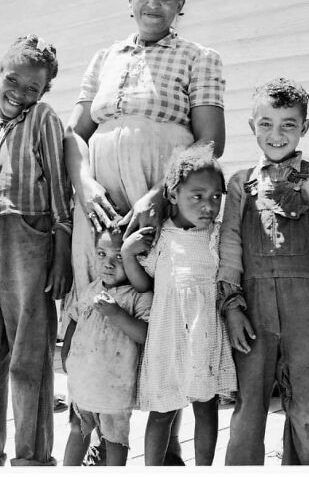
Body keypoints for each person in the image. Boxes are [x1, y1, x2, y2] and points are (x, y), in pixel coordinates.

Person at [64, 0, 226, 465]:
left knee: (157, 306)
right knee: (99, 300)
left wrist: (159, 193)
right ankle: (94, 431)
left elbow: (210, 139)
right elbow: (74, 133)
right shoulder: (105, 56)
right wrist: (85, 182)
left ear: (181, 4)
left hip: (159, 188)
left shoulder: (199, 57)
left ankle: (166, 446)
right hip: (102, 197)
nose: (153, 3)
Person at [0, 34, 72, 466]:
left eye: (32, 89)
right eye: (13, 80)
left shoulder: (41, 120)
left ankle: (32, 459)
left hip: (27, 239)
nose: (19, 94)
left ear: (43, 94)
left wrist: (60, 253)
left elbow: (61, 194)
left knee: (29, 354)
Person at [217, 78, 309, 465]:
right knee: (248, 409)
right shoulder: (240, 184)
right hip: (253, 312)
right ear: (252, 126)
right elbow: (230, 247)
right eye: (267, 124)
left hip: (308, 311)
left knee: (307, 415)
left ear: (304, 128)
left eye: (289, 124)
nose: (277, 134)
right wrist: (232, 305)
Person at [126, 143, 236, 466]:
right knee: (162, 412)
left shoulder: (216, 236)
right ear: (172, 195)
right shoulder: (161, 237)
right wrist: (128, 254)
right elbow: (145, 284)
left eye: (216, 197)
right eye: (197, 196)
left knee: (206, 407)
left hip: (205, 339)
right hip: (167, 340)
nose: (208, 206)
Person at [60, 228, 152, 466]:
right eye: (102, 254)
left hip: (115, 388)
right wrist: (66, 354)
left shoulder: (138, 296)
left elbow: (145, 335)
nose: (108, 264)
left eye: (119, 257)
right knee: (77, 431)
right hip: (83, 383)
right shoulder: (91, 289)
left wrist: (116, 314)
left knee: (115, 441)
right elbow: (74, 320)